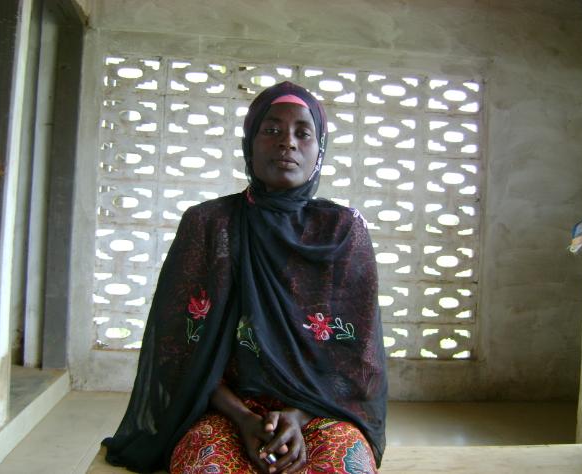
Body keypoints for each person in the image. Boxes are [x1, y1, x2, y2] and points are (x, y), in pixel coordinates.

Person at [103, 81, 387, 473]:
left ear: (319, 150)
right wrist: (244, 418)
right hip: (223, 411)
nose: (287, 142)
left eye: (303, 133)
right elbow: (176, 348)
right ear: (249, 145)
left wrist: (296, 416)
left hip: (319, 411)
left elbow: (358, 358)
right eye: (271, 130)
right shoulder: (209, 224)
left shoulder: (342, 231)